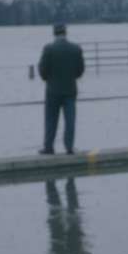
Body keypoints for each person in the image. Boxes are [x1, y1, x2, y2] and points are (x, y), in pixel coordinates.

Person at [37, 23, 86, 155]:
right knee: (70, 120)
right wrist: (70, 76)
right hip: (70, 90)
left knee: (51, 120)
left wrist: (50, 79)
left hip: (52, 91)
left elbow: (42, 71)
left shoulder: (48, 49)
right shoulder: (75, 49)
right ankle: (69, 147)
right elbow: (80, 71)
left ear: (54, 33)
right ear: (65, 33)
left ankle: (48, 147)